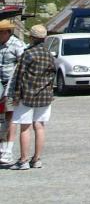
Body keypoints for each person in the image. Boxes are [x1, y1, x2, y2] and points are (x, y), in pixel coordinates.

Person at [7, 24, 56, 170]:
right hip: (45, 96)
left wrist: (15, 96)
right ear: (44, 38)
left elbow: (18, 76)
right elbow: (53, 75)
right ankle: (37, 159)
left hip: (27, 95)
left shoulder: (27, 54)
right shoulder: (49, 55)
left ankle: (23, 160)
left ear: (32, 38)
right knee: (40, 126)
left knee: (25, 128)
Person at [0, 19, 27, 165]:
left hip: (10, 87)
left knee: (9, 117)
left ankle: (8, 151)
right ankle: (2, 148)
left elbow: (23, 65)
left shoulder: (17, 45)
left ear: (6, 32)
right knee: (1, 119)